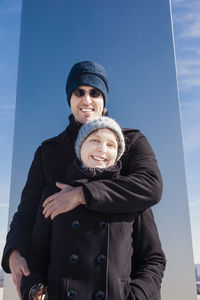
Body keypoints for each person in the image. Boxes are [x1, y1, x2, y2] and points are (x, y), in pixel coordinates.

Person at [1, 61, 163, 299]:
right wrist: (14, 252)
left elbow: (150, 186)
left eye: (95, 92)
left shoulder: (131, 142)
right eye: (79, 92)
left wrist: (81, 195)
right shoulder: (48, 152)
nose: (87, 99)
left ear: (104, 99)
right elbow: (27, 211)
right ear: (70, 97)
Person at [20, 116, 166, 300]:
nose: (102, 149)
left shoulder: (131, 197)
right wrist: (34, 292)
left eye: (111, 145)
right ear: (80, 147)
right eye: (95, 140)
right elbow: (35, 257)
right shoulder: (55, 192)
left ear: (117, 154)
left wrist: (137, 296)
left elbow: (153, 259)